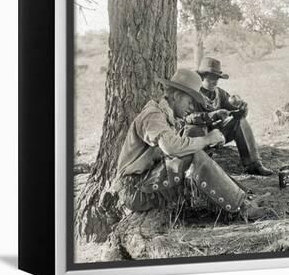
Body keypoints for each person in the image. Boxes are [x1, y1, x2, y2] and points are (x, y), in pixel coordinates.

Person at [114, 68, 266, 219]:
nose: (191, 107)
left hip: (146, 182)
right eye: (189, 101)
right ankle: (241, 208)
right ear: (177, 96)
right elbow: (171, 147)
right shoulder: (154, 115)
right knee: (193, 155)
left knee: (192, 153)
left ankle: (243, 198)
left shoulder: (166, 114)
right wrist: (207, 139)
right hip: (135, 190)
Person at [184, 57, 273, 176]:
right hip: (198, 136)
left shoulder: (220, 93)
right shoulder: (192, 94)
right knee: (195, 129)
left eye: (217, 79)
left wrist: (242, 109)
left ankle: (253, 164)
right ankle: (199, 167)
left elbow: (235, 111)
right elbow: (187, 117)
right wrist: (212, 115)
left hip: (218, 135)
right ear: (202, 77)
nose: (215, 82)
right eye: (211, 79)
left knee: (240, 121)